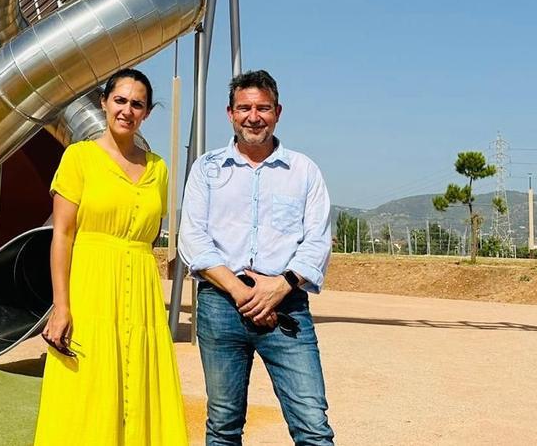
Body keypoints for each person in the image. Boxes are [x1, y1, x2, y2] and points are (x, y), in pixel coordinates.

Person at [179, 69, 334, 446]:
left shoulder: (303, 171)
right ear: (229, 113)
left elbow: (318, 239)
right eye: (244, 108)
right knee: (223, 425)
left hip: (287, 308)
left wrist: (279, 287)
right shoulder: (206, 169)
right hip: (220, 306)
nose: (253, 116)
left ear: (278, 112)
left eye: (263, 108)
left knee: (312, 424)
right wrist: (242, 293)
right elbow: (193, 239)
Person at [34, 68, 188, 445]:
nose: (127, 110)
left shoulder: (159, 169)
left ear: (147, 113)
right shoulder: (78, 157)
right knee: (86, 388)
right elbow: (63, 235)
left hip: (143, 291)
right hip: (90, 287)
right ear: (103, 103)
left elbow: (150, 237)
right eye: (120, 100)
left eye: (137, 104)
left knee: (141, 386)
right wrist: (61, 305)